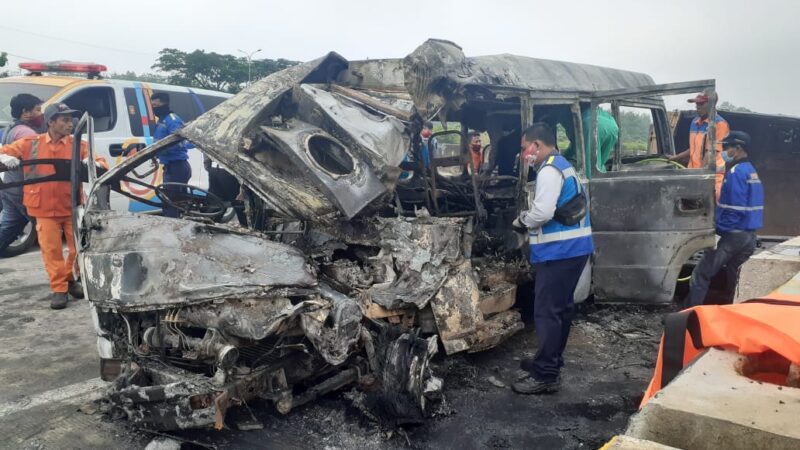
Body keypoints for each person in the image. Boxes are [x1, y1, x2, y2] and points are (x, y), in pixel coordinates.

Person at [510, 123, 593, 394]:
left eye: (525, 149)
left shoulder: (548, 170)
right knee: (561, 310)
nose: (524, 155)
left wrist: (522, 220)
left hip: (560, 253)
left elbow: (543, 213)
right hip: (574, 250)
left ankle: (546, 375)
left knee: (547, 312)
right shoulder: (563, 165)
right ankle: (549, 362)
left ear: (537, 145)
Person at [0, 103, 107, 309]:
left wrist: (94, 164)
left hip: (71, 206)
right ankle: (59, 289)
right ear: (51, 122)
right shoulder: (31, 143)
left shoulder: (77, 144)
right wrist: (5, 157)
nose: (70, 124)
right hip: (43, 208)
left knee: (78, 248)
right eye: (65, 120)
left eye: (71, 120)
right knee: (52, 251)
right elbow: (4, 151)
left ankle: (69, 278)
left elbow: (100, 162)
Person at [685, 131, 763, 308]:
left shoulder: (736, 172)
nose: (724, 151)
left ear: (738, 148)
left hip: (732, 235)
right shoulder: (751, 171)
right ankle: (731, 311)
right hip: (749, 236)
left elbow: (735, 209)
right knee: (734, 277)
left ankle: (689, 313)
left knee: (701, 274)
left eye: (727, 147)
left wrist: (719, 231)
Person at [0, 94, 43, 256]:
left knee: (9, 229)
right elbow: (34, 167)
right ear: (26, 112)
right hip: (24, 191)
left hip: (10, 187)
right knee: (47, 227)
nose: (41, 114)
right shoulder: (26, 133)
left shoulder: (11, 128)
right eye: (37, 110)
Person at [669, 91, 730, 199]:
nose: (697, 107)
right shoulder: (694, 122)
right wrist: (675, 157)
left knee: (710, 208)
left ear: (711, 105)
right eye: (696, 104)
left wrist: (699, 176)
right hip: (694, 175)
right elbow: (693, 149)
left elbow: (710, 152)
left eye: (701, 104)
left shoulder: (719, 124)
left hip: (711, 177)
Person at [151, 92, 191, 218]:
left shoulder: (172, 120)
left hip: (177, 167)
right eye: (152, 105)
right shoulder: (162, 121)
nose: (154, 108)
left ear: (165, 104)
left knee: (170, 202)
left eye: (156, 105)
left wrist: (159, 150)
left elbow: (178, 143)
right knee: (173, 202)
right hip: (170, 167)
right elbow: (158, 142)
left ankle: (171, 228)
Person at [562, 106, 619, 178]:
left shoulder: (565, 116)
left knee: (589, 165)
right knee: (599, 162)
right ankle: (602, 179)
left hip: (591, 122)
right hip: (612, 123)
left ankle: (592, 186)